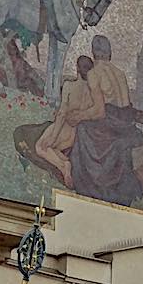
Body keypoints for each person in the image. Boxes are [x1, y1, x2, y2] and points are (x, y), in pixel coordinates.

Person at [34, 55, 96, 186]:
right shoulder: (92, 92)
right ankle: (65, 162)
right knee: (54, 150)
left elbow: (62, 113)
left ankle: (63, 167)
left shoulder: (69, 86)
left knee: (40, 147)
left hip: (63, 128)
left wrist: (53, 136)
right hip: (73, 135)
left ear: (77, 68)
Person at [88, 34, 131, 109]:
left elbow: (98, 106)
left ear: (93, 51)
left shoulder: (94, 72)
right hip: (125, 113)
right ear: (109, 52)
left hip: (107, 114)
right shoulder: (119, 72)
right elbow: (125, 103)